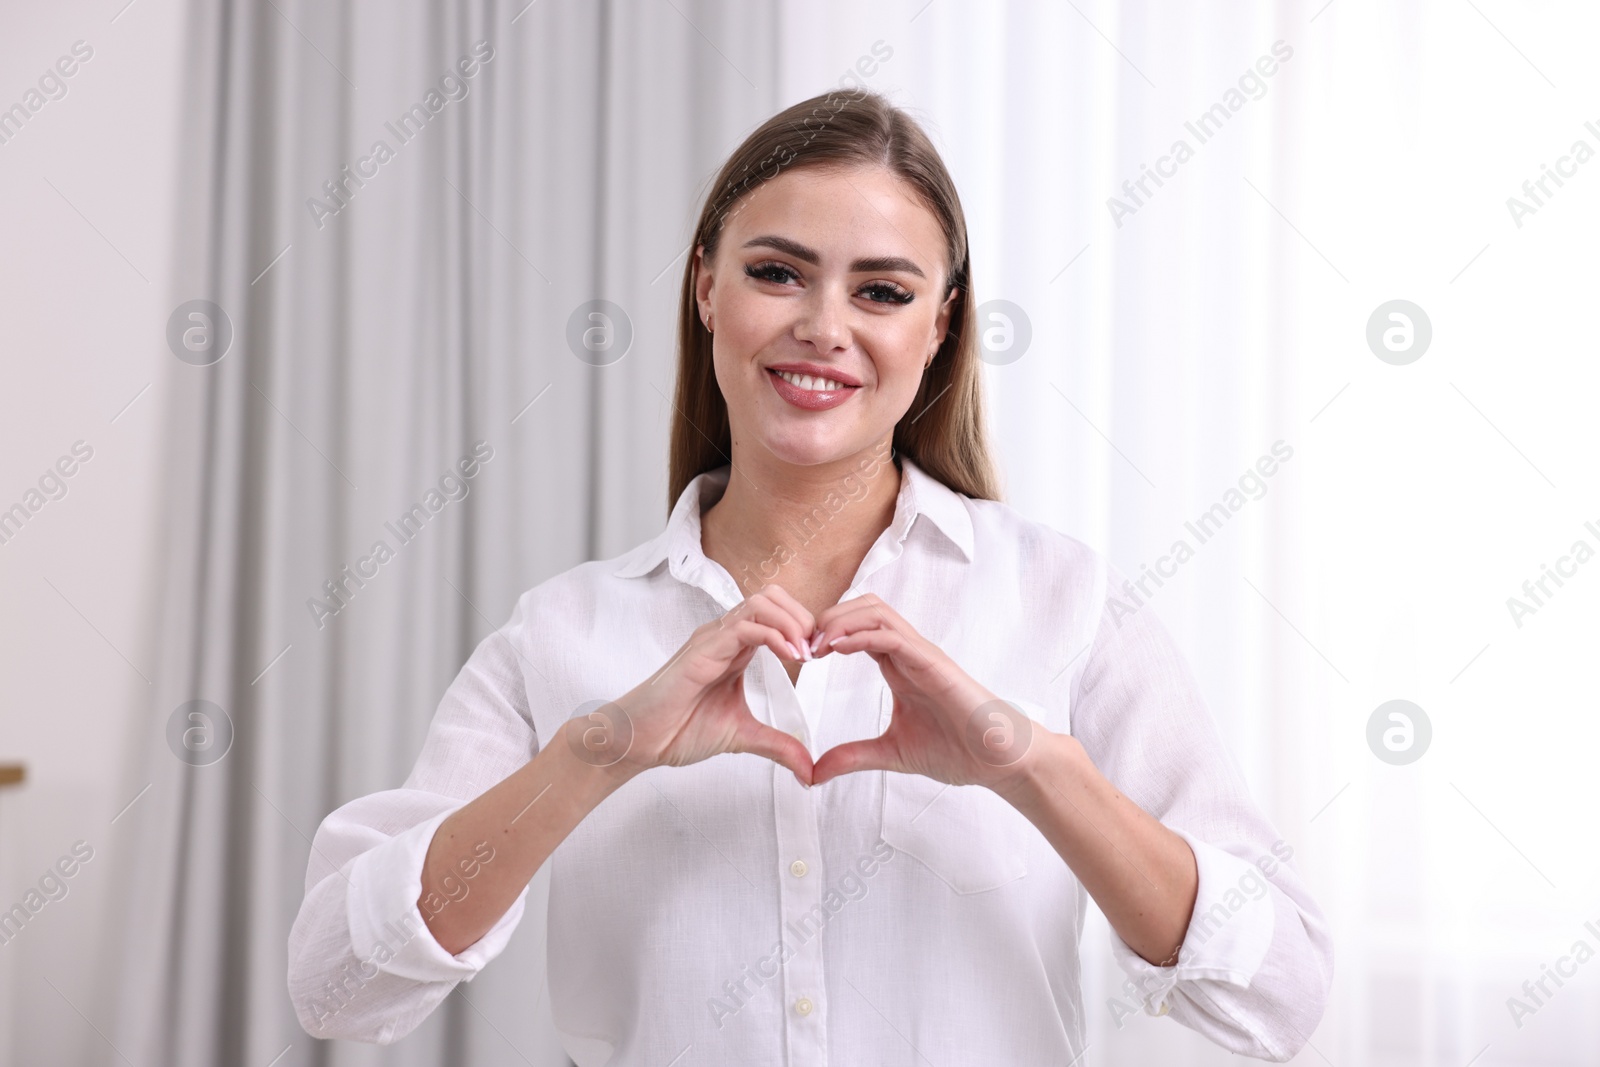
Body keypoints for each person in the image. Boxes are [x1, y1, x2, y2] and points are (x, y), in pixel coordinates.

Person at [287, 87, 1332, 1063]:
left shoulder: (1065, 602)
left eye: (880, 289)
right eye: (777, 272)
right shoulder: (562, 632)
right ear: (705, 285)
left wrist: (1028, 766)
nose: (823, 326)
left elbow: (1279, 990)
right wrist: (596, 754)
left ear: (939, 326)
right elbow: (338, 985)